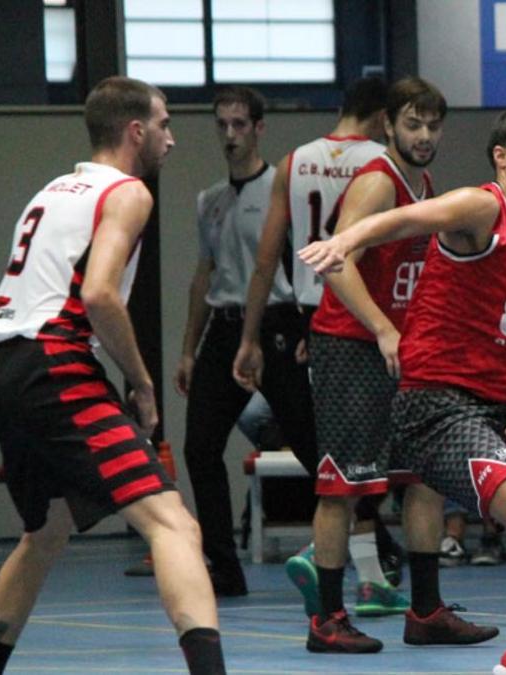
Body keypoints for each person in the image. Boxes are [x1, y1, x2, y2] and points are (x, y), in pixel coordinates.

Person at [300, 107, 506, 675]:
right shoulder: (482, 208)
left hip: (501, 410)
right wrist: (348, 238)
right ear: (502, 157)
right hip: (434, 406)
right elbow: (408, 218)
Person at [0, 76, 227, 674]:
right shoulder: (128, 192)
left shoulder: (53, 189)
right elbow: (99, 293)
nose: (171, 139)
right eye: (165, 124)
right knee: (173, 523)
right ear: (135, 130)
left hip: (8, 362)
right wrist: (142, 381)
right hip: (55, 360)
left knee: (45, 532)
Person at [299, 76, 497, 652]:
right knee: (342, 486)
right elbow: (337, 261)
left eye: (434, 125)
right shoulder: (376, 182)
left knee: (425, 478)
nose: (425, 135)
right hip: (353, 344)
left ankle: (426, 610)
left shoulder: (424, 183)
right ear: (389, 125)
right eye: (413, 123)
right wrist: (385, 327)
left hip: (402, 348)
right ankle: (326, 620)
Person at [229, 77, 405, 616]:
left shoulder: (294, 161)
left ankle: (367, 576)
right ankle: (342, 566)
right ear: (383, 119)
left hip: (309, 319)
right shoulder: (385, 162)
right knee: (364, 458)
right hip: (360, 315)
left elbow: (266, 260)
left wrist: (248, 336)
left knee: (343, 455)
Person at [175, 86, 317, 597]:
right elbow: (204, 275)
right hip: (225, 323)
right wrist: (190, 348)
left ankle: (372, 544)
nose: (230, 135)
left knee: (308, 442)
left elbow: (303, 261)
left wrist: (309, 327)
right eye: (222, 125)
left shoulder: (282, 188)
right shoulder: (209, 200)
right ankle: (223, 568)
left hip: (278, 324)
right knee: (199, 446)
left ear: (258, 128)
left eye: (240, 124)